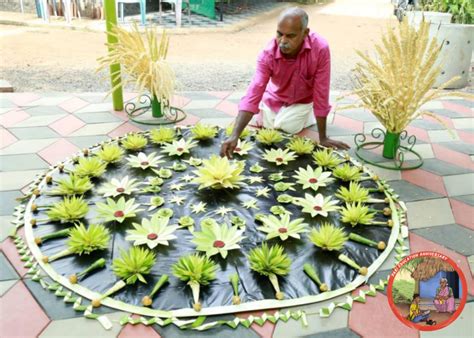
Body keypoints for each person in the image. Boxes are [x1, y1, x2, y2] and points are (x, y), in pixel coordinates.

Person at [220, 7, 349, 159]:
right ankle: (269, 112)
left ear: (305, 33)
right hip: (275, 97)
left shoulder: (320, 48)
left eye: (291, 36)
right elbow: (254, 90)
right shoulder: (267, 53)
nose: (283, 41)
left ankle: (306, 116)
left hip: (302, 101)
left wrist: (323, 138)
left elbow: (321, 91)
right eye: (279, 34)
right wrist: (235, 135)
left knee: (285, 127)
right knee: (272, 126)